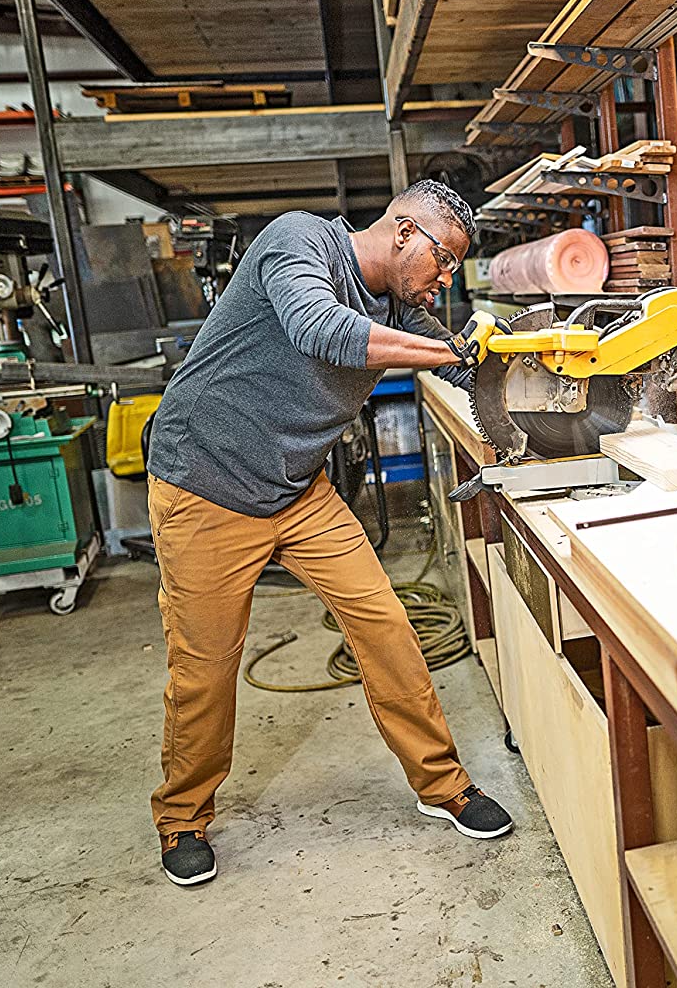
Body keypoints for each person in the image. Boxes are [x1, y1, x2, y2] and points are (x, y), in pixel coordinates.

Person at [145, 179, 512, 887]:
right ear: (403, 232)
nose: (445, 278)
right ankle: (182, 817)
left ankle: (443, 784)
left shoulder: (400, 303)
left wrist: (533, 364)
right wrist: (445, 355)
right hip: (206, 483)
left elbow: (463, 360)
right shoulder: (298, 240)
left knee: (386, 627)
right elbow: (323, 330)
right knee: (205, 668)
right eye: (442, 259)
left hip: (297, 489)